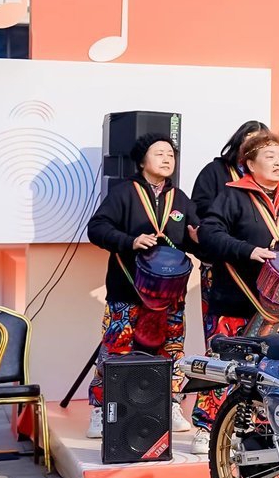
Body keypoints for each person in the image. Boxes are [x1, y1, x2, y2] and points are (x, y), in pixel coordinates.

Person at [193, 131, 279, 454]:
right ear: (250, 164)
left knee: (272, 372)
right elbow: (209, 234)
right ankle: (207, 429)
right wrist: (248, 251)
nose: (278, 162)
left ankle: (264, 431)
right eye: (269, 156)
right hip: (236, 300)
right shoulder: (233, 195)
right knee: (224, 366)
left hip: (278, 310)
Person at [85, 135, 198, 439]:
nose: (167, 159)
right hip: (127, 289)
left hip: (170, 295)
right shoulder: (124, 193)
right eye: (159, 153)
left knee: (172, 349)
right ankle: (101, 409)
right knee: (115, 348)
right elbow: (97, 228)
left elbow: (193, 237)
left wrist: (200, 239)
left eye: (170, 154)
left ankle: (171, 404)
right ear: (141, 161)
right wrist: (130, 241)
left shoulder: (180, 199)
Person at [189, 120, 269, 341]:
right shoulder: (215, 171)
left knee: (264, 337)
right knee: (222, 332)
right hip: (222, 262)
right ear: (238, 142)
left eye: (260, 143)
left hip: (258, 266)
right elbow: (198, 209)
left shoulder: (271, 178)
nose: (253, 146)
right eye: (249, 140)